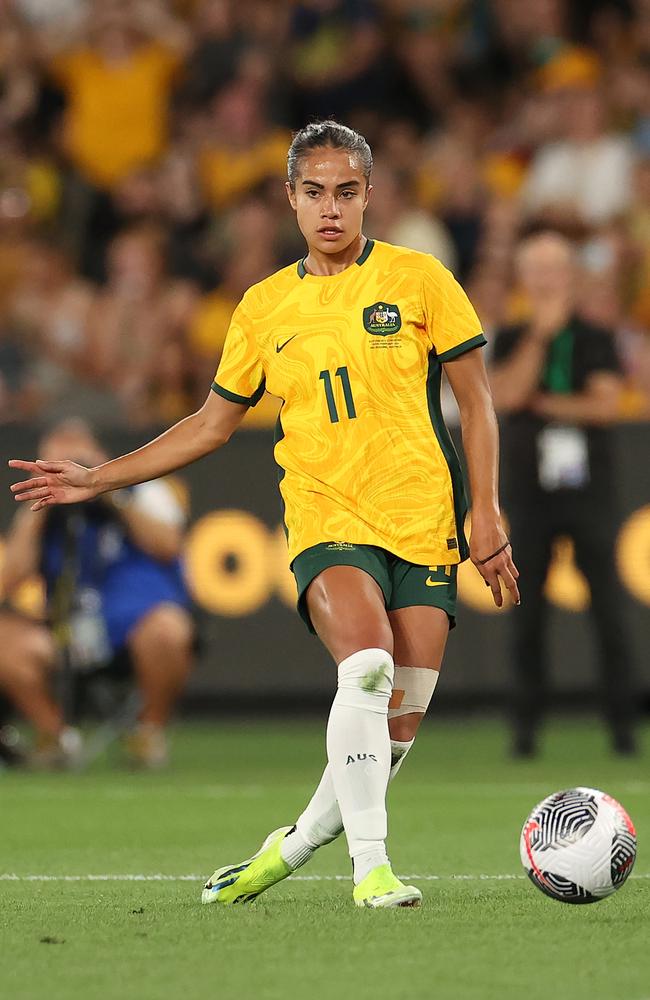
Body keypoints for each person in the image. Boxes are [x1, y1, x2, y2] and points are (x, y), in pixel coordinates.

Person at [9, 122, 519, 907]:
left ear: (368, 197)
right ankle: (371, 871)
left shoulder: (421, 280)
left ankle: (296, 843)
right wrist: (98, 479)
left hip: (423, 519)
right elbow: (212, 425)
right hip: (326, 517)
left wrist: (484, 510)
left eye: (346, 192)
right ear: (290, 197)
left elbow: (476, 402)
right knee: (368, 668)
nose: (330, 209)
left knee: (395, 729)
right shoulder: (264, 306)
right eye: (314, 192)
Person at [489, 230, 638, 758]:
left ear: (569, 274)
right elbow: (505, 395)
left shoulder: (596, 336)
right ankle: (525, 731)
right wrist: (540, 339)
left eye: (555, 268)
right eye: (537, 269)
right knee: (526, 616)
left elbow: (604, 407)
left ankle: (623, 727)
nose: (547, 279)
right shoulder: (511, 337)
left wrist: (541, 400)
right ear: (524, 278)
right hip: (530, 495)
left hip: (589, 493)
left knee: (609, 614)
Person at [1, 419, 193, 768]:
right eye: (55, 462)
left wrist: (104, 487)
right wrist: (43, 507)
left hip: (133, 624)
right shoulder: (42, 510)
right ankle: (57, 736)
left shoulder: (144, 489)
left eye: (74, 459)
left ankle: (148, 734)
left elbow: (167, 545)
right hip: (66, 629)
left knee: (170, 629)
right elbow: (8, 579)